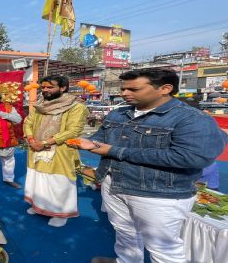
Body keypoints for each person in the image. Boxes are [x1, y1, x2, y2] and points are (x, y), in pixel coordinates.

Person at [70, 68, 228, 263]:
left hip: (159, 193)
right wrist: (87, 143)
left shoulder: (191, 118)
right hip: (114, 184)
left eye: (133, 89)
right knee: (124, 232)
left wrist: (114, 151)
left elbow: (193, 158)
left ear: (165, 88)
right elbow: (100, 139)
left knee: (163, 249)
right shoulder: (118, 114)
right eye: (123, 88)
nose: (124, 93)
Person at [23, 75, 88, 227]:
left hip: (60, 150)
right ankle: (39, 206)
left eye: (49, 87)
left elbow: (73, 130)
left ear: (63, 88)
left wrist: (45, 142)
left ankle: (61, 213)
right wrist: (32, 140)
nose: (45, 90)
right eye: (43, 87)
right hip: (35, 148)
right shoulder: (40, 104)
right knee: (37, 178)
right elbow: (29, 122)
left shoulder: (76, 106)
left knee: (59, 181)